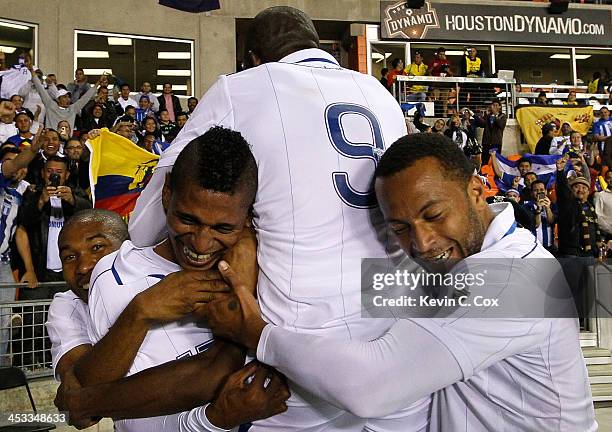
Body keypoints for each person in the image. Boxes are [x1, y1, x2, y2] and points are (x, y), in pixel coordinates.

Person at [130, 6, 429, 432]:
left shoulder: (240, 88)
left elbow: (152, 217)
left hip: (297, 343)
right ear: (319, 46)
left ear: (253, 57)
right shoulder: (377, 91)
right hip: (394, 332)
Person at [202, 133, 596, 431]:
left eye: (434, 215)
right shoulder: (474, 260)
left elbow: (371, 385)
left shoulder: (509, 279)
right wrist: (252, 245)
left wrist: (255, 333)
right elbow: (346, 289)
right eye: (400, 227)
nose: (422, 243)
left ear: (477, 190)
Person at [77, 127, 289, 431]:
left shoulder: (272, 267)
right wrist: (139, 313)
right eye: (188, 219)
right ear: (166, 195)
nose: (201, 244)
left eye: (223, 228)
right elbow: (97, 402)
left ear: (246, 218)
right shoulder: (117, 274)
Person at [48, 208, 288, 431]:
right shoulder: (66, 305)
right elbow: (77, 400)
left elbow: (88, 401)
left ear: (126, 252)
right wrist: (139, 312)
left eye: (98, 247)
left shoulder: (184, 274)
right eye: (69, 257)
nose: (84, 266)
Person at [0, 124, 45, 366]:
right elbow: (12, 166)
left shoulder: (22, 193)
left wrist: (28, 268)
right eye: (11, 162)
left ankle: (2, 366)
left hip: (4, 264)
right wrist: (33, 150)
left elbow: (20, 232)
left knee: (4, 319)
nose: (16, 167)